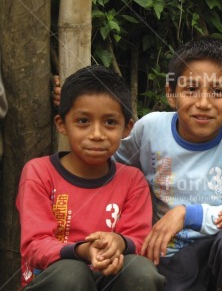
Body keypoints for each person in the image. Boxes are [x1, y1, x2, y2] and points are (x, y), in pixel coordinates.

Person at [113, 37, 222, 291]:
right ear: (171, 93)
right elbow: (107, 164)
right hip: (164, 256)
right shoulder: (150, 130)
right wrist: (75, 105)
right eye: (191, 89)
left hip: (220, 257)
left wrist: (189, 214)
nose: (204, 103)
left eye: (218, 91)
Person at [17, 65, 165, 290]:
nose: (97, 134)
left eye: (110, 122)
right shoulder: (39, 172)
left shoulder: (132, 180)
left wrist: (119, 242)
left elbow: (139, 239)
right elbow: (34, 245)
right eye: (83, 121)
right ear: (62, 125)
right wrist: (81, 251)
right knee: (72, 274)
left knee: (141, 271)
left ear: (127, 129)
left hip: (109, 275)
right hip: (55, 279)